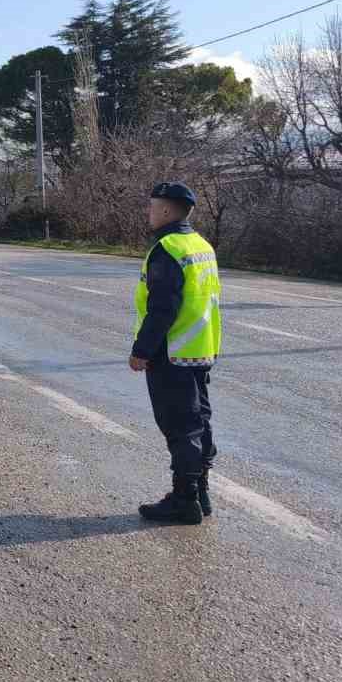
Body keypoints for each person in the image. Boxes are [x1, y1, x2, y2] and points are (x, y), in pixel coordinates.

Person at [129, 181, 222, 525]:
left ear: (167, 210)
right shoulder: (201, 245)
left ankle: (184, 500)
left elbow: (162, 309)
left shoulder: (167, 249)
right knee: (199, 423)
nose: (149, 213)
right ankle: (201, 492)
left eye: (152, 207)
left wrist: (141, 351)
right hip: (201, 350)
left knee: (181, 428)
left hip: (172, 354)